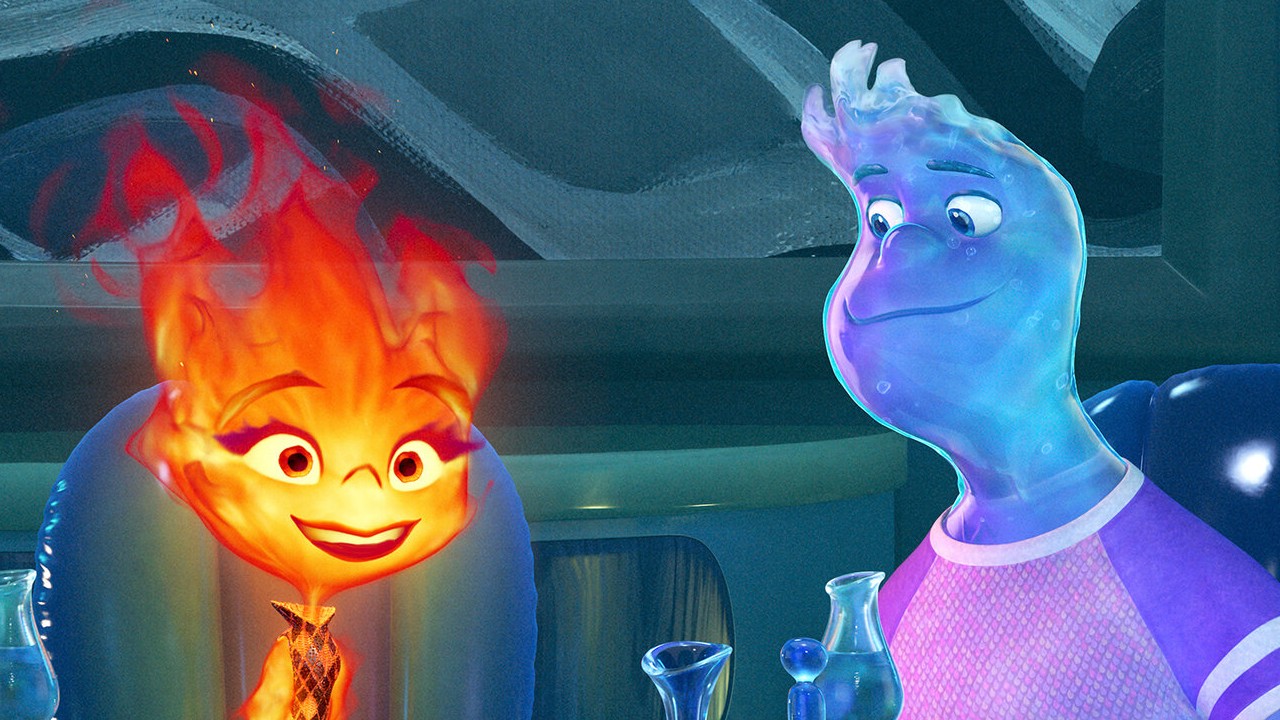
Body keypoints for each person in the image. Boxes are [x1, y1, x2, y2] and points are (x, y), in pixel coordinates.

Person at [802, 40, 1280, 719]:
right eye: (882, 219)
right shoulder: (886, 616)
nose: (902, 248)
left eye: (964, 216)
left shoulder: (1186, 591)